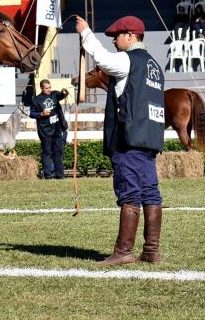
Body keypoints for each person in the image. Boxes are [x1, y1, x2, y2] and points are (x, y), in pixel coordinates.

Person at [75, 15, 165, 266]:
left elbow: (102, 60)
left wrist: (86, 33)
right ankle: (151, 250)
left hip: (129, 139)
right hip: (149, 139)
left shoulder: (128, 60)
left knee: (129, 193)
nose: (114, 40)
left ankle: (124, 251)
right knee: (150, 194)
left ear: (131, 36)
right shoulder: (154, 65)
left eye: (117, 35)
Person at [28, 80, 69, 179]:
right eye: (46, 88)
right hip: (45, 130)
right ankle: (48, 175)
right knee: (47, 153)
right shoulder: (36, 100)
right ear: (42, 88)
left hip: (57, 129)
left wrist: (64, 92)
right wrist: (41, 114)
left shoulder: (54, 95)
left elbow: (62, 95)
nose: (49, 90)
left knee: (58, 152)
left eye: (50, 87)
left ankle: (60, 175)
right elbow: (31, 114)